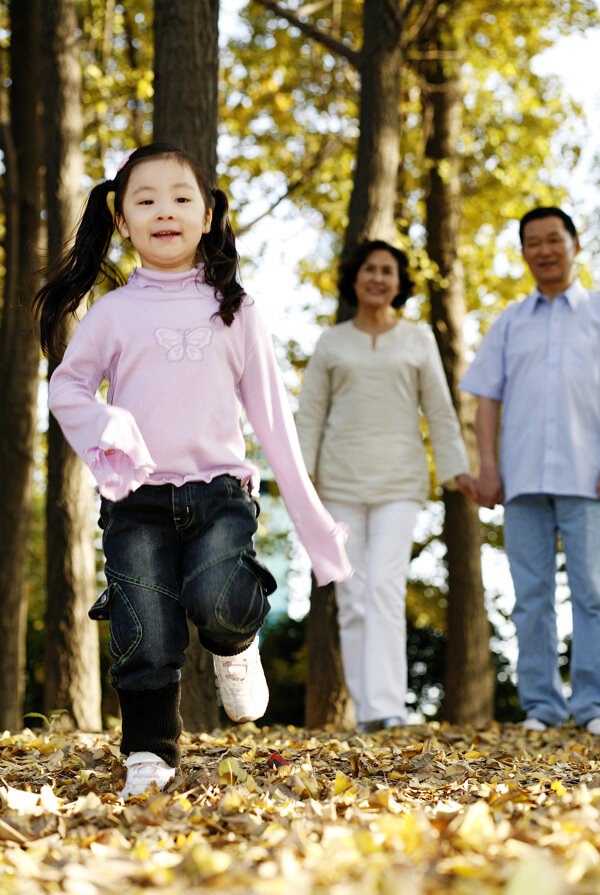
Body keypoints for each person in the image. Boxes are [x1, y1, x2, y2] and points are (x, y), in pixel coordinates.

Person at [33, 143, 352, 797]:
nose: (164, 211)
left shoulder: (237, 307)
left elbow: (273, 420)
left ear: (208, 214)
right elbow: (67, 390)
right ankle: (148, 754)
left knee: (218, 598)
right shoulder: (113, 312)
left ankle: (235, 645)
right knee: (143, 630)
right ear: (121, 221)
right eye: (143, 200)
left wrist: (314, 524)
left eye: (180, 197)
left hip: (218, 495)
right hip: (136, 502)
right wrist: (107, 427)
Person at [296, 239, 476, 732]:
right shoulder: (333, 342)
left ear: (399, 283)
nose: (378, 278)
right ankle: (367, 713)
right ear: (355, 279)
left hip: (401, 480)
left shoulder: (417, 339)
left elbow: (440, 410)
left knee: (384, 587)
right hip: (339, 482)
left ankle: (389, 708)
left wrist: (458, 470)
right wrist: (302, 476)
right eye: (370, 270)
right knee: (353, 596)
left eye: (388, 271)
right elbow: (309, 415)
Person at [460, 206, 600, 734]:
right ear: (523, 253)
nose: (544, 250)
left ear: (575, 244)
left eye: (553, 239)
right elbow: (487, 400)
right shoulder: (510, 322)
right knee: (531, 597)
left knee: (593, 593)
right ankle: (542, 705)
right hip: (520, 481)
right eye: (532, 242)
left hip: (588, 477)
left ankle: (593, 705)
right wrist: (488, 466)